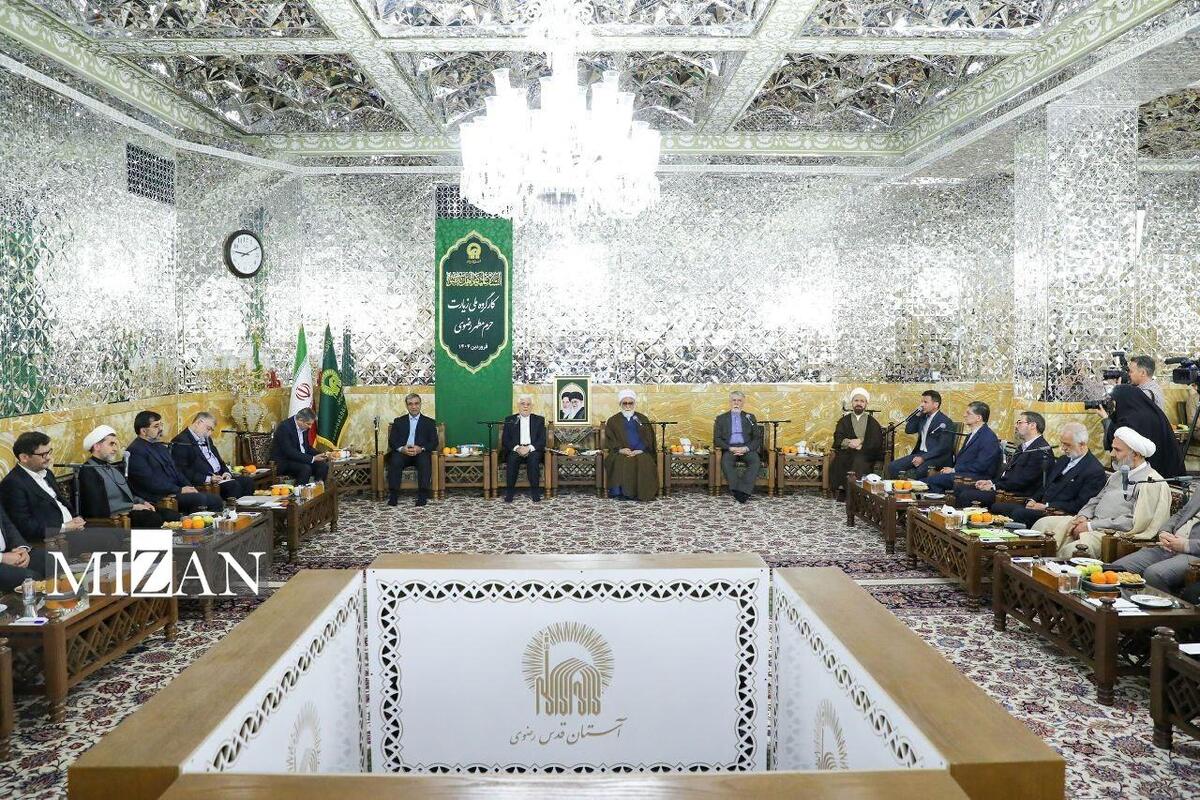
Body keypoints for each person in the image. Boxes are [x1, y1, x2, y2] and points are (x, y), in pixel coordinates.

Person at [1033, 427, 1172, 558]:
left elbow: (1133, 522)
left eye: (1117, 450)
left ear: (1135, 454)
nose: (1112, 454)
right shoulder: (1118, 475)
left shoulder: (1151, 482)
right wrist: (1083, 516)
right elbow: (1096, 499)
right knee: (1043, 524)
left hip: (1111, 534)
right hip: (1091, 522)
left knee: (1072, 550)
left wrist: (1090, 526)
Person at [1, 431, 124, 555]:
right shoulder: (13, 483)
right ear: (24, 457)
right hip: (54, 539)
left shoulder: (47, 473)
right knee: (109, 540)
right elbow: (25, 527)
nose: (49, 458)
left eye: (49, 452)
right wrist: (64, 527)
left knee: (117, 535)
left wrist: (76, 518)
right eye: (43, 455)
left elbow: (62, 502)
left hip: (73, 529)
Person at [991, 423, 1106, 527]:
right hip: (1040, 506)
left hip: (1058, 513)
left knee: (1019, 513)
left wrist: (1047, 505)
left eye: (1067, 445)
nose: (1063, 448)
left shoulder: (1094, 470)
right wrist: (1032, 500)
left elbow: (1079, 504)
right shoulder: (1063, 459)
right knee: (997, 507)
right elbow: (1046, 485)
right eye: (1062, 443)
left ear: (1082, 444)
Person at [78, 426, 179, 528]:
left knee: (171, 515)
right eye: (111, 444)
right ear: (97, 446)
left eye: (116, 444)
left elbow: (129, 494)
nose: (115, 449)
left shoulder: (113, 468)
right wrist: (133, 507)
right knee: (152, 518)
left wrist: (143, 502)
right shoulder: (88, 471)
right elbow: (97, 506)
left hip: (129, 510)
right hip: (116, 517)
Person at [126, 411, 223, 514]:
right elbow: (150, 482)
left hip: (173, 491)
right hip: (160, 496)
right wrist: (179, 490)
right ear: (143, 431)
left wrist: (189, 486)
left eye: (161, 424)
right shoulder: (135, 451)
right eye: (156, 426)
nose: (161, 429)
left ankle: (214, 523)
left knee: (215, 499)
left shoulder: (160, 447)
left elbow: (176, 472)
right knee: (200, 500)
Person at [1109, 488, 1200, 593]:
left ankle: (1162, 604)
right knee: (1117, 569)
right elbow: (1182, 513)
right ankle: (1121, 602)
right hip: (1167, 546)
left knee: (1154, 574)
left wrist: (1186, 545)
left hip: (1193, 555)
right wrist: (1164, 532)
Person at [955, 411, 1052, 509]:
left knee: (967, 495)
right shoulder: (1022, 447)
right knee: (960, 487)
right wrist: (990, 482)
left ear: (1032, 425)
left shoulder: (1041, 450)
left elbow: (1023, 481)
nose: (1016, 426)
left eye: (1019, 422)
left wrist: (994, 487)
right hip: (1004, 488)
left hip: (1014, 494)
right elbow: (1008, 474)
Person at [1097, 383, 1185, 477]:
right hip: (1171, 472)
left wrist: (1106, 419)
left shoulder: (1132, 419)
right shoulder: (1151, 413)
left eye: (1115, 403)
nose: (1114, 407)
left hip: (1150, 478)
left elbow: (1119, 441)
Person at [171, 412, 255, 499]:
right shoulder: (181, 441)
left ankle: (248, 507)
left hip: (220, 477)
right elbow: (183, 471)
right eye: (208, 429)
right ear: (199, 423)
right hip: (204, 483)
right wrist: (209, 478)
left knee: (247, 481)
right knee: (232, 485)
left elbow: (219, 461)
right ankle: (235, 507)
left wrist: (226, 473)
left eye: (211, 430)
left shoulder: (206, 438)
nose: (209, 433)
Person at [925, 401, 1001, 492]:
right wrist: (952, 469)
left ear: (978, 418)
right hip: (964, 473)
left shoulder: (988, 437)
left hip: (977, 477)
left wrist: (954, 470)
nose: (964, 415)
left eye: (968, 413)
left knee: (927, 482)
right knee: (933, 483)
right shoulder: (972, 434)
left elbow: (980, 466)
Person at [829, 388, 884, 500]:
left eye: (862, 401)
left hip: (866, 453)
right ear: (852, 403)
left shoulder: (872, 422)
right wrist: (849, 443)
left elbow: (876, 440)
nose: (859, 403)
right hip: (847, 451)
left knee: (858, 460)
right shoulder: (844, 420)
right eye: (856, 400)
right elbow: (838, 437)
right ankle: (844, 491)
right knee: (840, 460)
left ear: (866, 404)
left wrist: (861, 441)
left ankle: (855, 493)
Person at [604, 390, 658, 501]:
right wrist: (620, 450)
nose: (628, 406)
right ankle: (620, 493)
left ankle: (641, 493)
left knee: (644, 461)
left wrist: (640, 450)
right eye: (625, 403)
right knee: (619, 461)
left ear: (634, 404)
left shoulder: (642, 419)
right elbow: (610, 439)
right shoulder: (613, 420)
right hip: (620, 452)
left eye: (630, 403)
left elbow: (649, 438)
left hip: (641, 452)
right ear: (620, 404)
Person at [886, 390, 954, 478]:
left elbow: (942, 448)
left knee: (919, 471)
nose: (922, 405)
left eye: (925, 402)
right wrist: (917, 414)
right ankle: (899, 486)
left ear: (936, 405)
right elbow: (909, 430)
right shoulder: (922, 417)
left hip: (937, 457)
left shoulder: (945, 422)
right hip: (920, 453)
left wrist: (923, 458)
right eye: (921, 402)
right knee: (893, 466)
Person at [386, 393, 438, 507]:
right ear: (406, 406)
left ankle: (422, 495)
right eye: (410, 404)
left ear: (420, 404)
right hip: (404, 452)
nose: (414, 407)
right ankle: (393, 495)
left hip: (420, 452)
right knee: (395, 460)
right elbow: (392, 441)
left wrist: (421, 448)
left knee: (424, 461)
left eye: (416, 403)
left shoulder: (429, 422)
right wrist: (402, 449)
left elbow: (434, 442)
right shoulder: (398, 421)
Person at [713, 391, 762, 504]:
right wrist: (730, 448)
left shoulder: (750, 417)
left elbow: (757, 438)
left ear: (743, 403)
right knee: (726, 462)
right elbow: (717, 439)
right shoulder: (721, 418)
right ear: (730, 402)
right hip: (730, 448)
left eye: (739, 400)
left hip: (746, 448)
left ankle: (742, 491)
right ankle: (740, 492)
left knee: (755, 461)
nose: (736, 403)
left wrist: (746, 448)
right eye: (734, 400)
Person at [501, 395, 546, 503]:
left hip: (532, 449)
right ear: (518, 405)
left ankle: (535, 493)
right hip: (517, 449)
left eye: (528, 404)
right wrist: (517, 448)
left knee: (533, 459)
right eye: (523, 404)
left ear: (531, 406)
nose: (525, 406)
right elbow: (505, 440)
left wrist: (529, 448)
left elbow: (542, 440)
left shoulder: (539, 420)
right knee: (512, 458)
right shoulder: (510, 420)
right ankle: (509, 493)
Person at [271, 408, 331, 486]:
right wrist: (313, 458)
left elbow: (307, 448)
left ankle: (317, 488)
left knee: (322, 466)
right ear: (300, 420)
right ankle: (299, 491)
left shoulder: (304, 427)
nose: (310, 427)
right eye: (308, 424)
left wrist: (323, 454)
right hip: (284, 461)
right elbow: (289, 451)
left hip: (299, 459)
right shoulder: (284, 427)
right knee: (305, 468)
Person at [0, 503, 53, 592]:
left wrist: (21, 549)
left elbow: (8, 526)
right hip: (3, 558)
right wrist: (2, 558)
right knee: (30, 579)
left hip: (10, 552)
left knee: (53, 559)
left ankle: (66, 599)